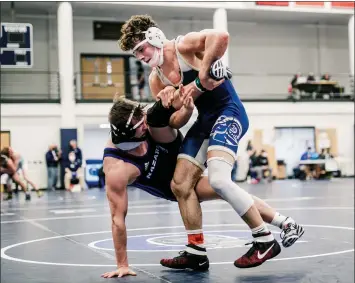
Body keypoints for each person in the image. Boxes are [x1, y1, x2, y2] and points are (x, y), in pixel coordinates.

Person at [119, 14, 304, 270]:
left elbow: (220, 36)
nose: (140, 57)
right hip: (204, 121)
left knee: (218, 180)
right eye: (135, 54)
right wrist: (184, 107)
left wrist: (204, 71)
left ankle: (264, 240)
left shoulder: (183, 46)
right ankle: (196, 251)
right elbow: (173, 121)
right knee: (181, 185)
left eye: (141, 49)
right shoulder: (156, 79)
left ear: (154, 37)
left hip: (229, 112)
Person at [101, 97, 304, 278]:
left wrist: (185, 107)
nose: (145, 124)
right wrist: (122, 264)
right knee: (222, 188)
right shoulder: (117, 169)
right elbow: (117, 219)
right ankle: (285, 223)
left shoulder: (150, 122)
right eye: (140, 125)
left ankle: (197, 252)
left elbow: (174, 114)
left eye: (144, 119)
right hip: (175, 186)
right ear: (127, 133)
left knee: (219, 184)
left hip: (183, 161)